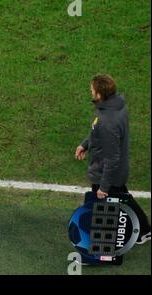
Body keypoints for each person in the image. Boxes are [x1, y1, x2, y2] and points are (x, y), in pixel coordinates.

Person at [75, 74, 151, 246]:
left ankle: (139, 232)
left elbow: (111, 157)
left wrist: (103, 186)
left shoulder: (107, 120)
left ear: (100, 94)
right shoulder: (116, 107)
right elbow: (97, 132)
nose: (91, 92)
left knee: (111, 202)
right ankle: (145, 230)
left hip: (106, 173)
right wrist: (85, 144)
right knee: (123, 197)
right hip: (116, 170)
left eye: (92, 90)